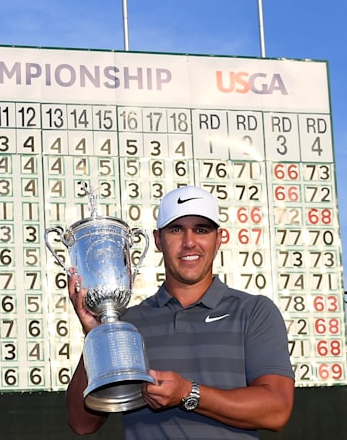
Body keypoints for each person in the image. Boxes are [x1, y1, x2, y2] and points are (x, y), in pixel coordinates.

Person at [65, 185, 295, 439]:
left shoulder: (254, 311)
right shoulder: (129, 324)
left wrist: (188, 393)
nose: (189, 243)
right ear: (157, 240)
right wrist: (98, 335)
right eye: (176, 230)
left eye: (201, 230)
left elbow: (277, 410)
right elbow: (82, 424)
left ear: (218, 239)